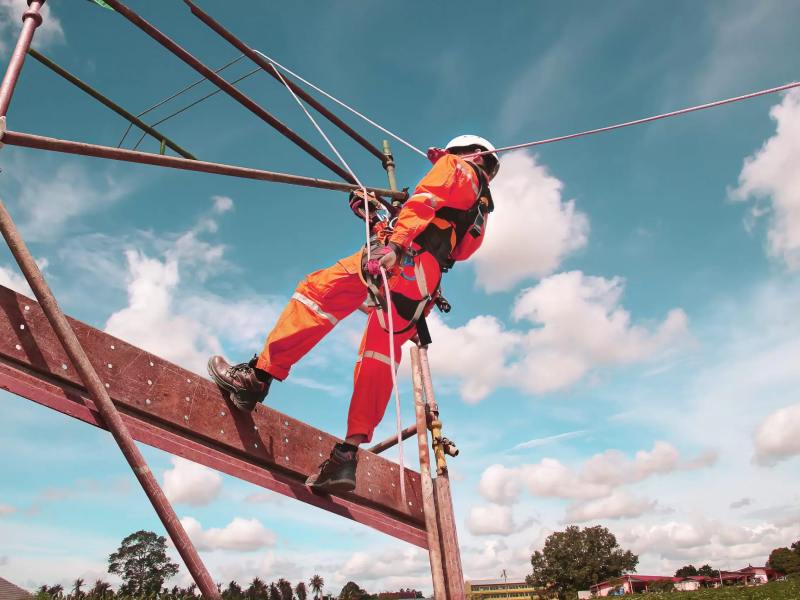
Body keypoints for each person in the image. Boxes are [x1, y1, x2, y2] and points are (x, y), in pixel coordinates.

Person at [208, 135, 500, 493]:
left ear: (472, 154)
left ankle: (256, 377)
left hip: (403, 261)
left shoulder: (456, 167)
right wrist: (376, 219)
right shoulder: (479, 210)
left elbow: (424, 201)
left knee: (317, 295)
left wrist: (394, 245)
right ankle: (346, 456)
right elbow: (440, 238)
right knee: (378, 358)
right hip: (422, 284)